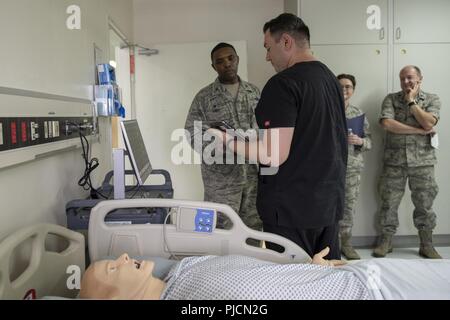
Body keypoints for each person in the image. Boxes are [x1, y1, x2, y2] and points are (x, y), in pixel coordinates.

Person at [208, 14, 347, 259]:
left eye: (268, 48)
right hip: (326, 204)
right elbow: (307, 139)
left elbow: (273, 154)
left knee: (292, 285)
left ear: (285, 42)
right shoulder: (330, 80)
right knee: (326, 279)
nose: (267, 56)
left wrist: (227, 140)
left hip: (293, 211)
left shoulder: (283, 84)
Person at [80, 252, 450, 300]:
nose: (124, 257)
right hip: (376, 294)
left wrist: (308, 268)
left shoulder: (182, 270)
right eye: (113, 267)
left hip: (360, 273)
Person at [184, 42, 262, 232]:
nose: (227, 64)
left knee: (252, 226)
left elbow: (265, 127)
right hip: (220, 180)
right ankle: (218, 263)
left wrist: (253, 140)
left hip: (251, 175)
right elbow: (192, 132)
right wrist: (221, 146)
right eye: (220, 61)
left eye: (230, 58)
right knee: (220, 228)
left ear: (237, 59)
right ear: (214, 66)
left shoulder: (255, 93)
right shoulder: (204, 97)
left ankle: (250, 263)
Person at [374, 65, 441, 259]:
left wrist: (412, 103)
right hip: (394, 162)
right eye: (402, 78)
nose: (406, 82)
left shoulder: (432, 99)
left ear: (420, 78)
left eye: (410, 78)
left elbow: (429, 122)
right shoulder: (391, 99)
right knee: (389, 203)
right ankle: (386, 241)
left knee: (425, 205)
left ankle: (426, 244)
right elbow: (387, 124)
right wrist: (419, 131)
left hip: (423, 162)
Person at [337, 74, 372, 260]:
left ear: (353, 90)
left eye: (348, 87)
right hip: (329, 169)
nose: (344, 90)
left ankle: (347, 244)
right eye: (340, 86)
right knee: (329, 207)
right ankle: (330, 244)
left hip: (351, 169)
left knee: (348, 208)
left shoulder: (358, 114)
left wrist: (359, 141)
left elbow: (370, 143)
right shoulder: (326, 111)